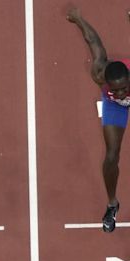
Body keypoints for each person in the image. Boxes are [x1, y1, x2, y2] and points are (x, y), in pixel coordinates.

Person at [67, 7, 130, 232]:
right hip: (114, 108)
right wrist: (79, 20)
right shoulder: (99, 73)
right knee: (111, 156)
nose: (121, 93)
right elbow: (93, 41)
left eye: (124, 89)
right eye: (117, 89)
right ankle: (112, 204)